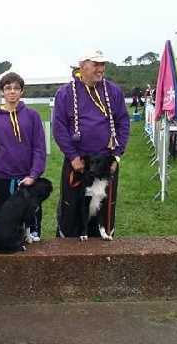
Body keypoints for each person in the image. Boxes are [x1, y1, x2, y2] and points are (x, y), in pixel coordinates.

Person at [52, 49, 130, 239]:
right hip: (77, 162)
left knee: (105, 206)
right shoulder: (65, 93)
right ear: (82, 67)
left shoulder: (113, 91)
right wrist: (73, 156)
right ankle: (67, 247)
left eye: (102, 65)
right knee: (71, 206)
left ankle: (102, 247)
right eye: (95, 65)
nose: (100, 69)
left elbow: (123, 123)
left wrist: (117, 156)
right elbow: (59, 128)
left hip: (106, 162)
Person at [0, 72, 47, 241]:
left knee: (30, 224)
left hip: (27, 178)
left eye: (16, 88)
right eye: (8, 88)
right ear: (2, 92)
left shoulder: (32, 116)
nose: (12, 91)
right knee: (4, 223)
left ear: (22, 91)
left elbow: (39, 148)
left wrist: (33, 175)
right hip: (2, 178)